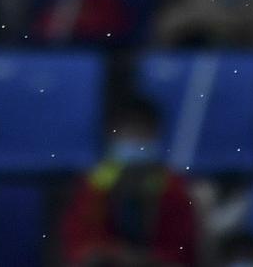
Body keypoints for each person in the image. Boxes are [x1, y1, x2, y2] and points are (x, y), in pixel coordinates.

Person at [60, 96, 203, 267]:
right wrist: (115, 254)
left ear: (156, 135)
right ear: (112, 136)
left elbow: (182, 252)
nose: (135, 139)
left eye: (142, 132)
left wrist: (142, 260)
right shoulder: (91, 187)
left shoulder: (175, 189)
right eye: (128, 132)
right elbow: (81, 247)